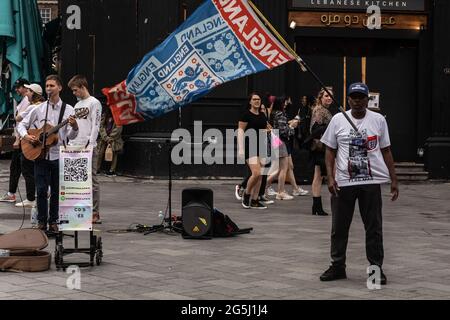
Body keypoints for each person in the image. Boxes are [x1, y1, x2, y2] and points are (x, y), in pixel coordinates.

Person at [319, 82, 399, 285]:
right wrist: (330, 176)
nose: (357, 101)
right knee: (339, 227)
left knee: (373, 227)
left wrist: (394, 179)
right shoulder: (338, 119)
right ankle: (337, 266)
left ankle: (375, 270)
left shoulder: (378, 120)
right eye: (353, 97)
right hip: (344, 182)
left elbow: (386, 150)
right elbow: (329, 150)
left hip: (371, 182)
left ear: (367, 100)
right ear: (348, 99)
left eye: (361, 97)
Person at [18, 75, 79, 232]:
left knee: (57, 191)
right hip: (41, 155)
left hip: (58, 155)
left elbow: (71, 136)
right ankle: (41, 221)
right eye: (47, 86)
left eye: (52, 85)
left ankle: (53, 221)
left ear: (59, 88)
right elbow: (22, 125)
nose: (49, 89)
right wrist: (26, 136)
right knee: (41, 190)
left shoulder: (70, 110)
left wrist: (75, 127)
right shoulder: (39, 109)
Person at [68, 75, 102, 224]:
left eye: (75, 90)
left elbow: (96, 124)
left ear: (83, 86)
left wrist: (90, 143)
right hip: (75, 144)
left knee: (92, 180)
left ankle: (95, 212)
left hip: (88, 146)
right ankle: (79, 210)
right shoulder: (76, 105)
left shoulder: (94, 103)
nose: (74, 93)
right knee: (77, 181)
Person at [12, 83, 45, 208]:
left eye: (29, 91)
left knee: (27, 170)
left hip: (30, 141)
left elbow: (18, 118)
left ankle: (31, 198)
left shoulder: (32, 108)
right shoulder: (42, 105)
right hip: (37, 140)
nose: (26, 94)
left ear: (34, 93)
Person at [0, 79, 30, 203]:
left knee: (26, 169)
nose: (17, 90)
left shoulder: (28, 101)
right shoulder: (24, 100)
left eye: (19, 87)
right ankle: (12, 193)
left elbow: (22, 122)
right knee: (17, 167)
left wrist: (18, 139)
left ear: (25, 87)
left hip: (24, 139)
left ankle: (30, 196)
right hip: (22, 137)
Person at [238, 93, 270, 209]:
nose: (257, 101)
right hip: (249, 145)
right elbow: (240, 131)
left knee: (260, 175)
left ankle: (255, 200)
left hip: (261, 145)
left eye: (258, 99)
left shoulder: (262, 115)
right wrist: (241, 149)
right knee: (256, 172)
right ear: (250, 102)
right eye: (254, 99)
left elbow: (264, 129)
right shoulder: (246, 115)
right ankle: (247, 195)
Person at [308, 87, 333, 215]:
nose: (329, 98)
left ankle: (316, 206)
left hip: (323, 147)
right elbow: (315, 129)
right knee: (319, 176)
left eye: (330, 96)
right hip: (320, 147)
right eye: (326, 96)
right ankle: (317, 206)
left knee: (319, 176)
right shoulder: (319, 110)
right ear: (320, 98)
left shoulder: (325, 111)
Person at [96, 107, 123, 176]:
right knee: (100, 153)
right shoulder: (105, 116)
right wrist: (105, 137)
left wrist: (110, 137)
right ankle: (97, 169)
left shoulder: (118, 117)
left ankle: (112, 170)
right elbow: (101, 126)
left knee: (114, 154)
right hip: (104, 138)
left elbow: (118, 129)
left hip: (114, 139)